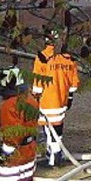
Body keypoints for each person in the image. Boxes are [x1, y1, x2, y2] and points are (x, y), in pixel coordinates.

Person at [32, 29, 80, 166]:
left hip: (46, 100)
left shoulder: (42, 57)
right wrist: (70, 97)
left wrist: (35, 97)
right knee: (57, 127)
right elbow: (74, 82)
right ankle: (55, 152)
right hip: (62, 99)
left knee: (48, 128)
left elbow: (37, 82)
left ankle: (54, 155)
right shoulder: (69, 58)